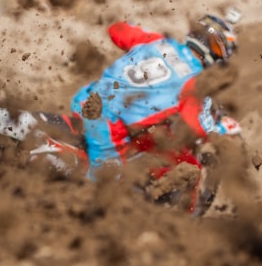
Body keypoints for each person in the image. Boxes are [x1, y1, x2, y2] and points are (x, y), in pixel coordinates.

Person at [71, 11, 241, 180]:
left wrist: (135, 26)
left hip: (85, 99)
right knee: (106, 187)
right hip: (108, 126)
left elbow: (116, 30)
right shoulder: (194, 81)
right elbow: (195, 125)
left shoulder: (158, 41)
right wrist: (219, 131)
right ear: (218, 57)